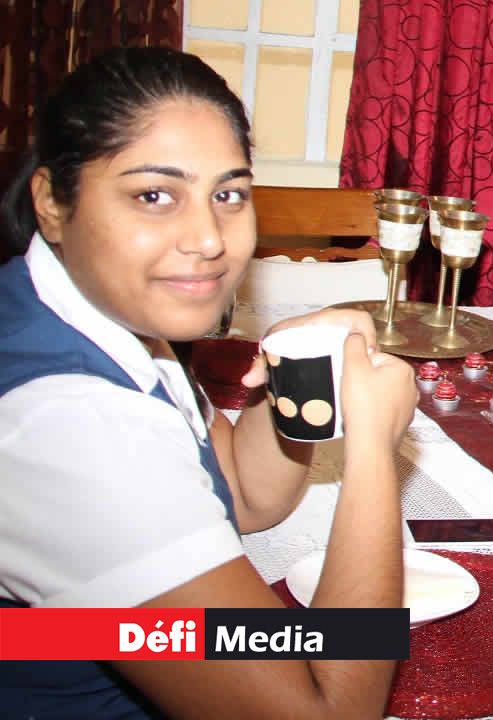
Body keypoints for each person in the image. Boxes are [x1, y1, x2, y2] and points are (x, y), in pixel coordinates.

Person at [0, 48, 420, 717]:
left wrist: (295, 364)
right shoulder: (69, 425)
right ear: (52, 202)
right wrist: (372, 448)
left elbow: (245, 493)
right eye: (154, 196)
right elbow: (327, 712)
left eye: (228, 194)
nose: (207, 237)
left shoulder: (92, 312)